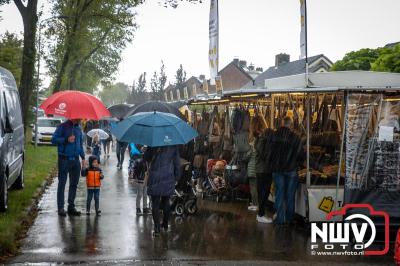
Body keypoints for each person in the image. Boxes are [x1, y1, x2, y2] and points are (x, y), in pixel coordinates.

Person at [270, 117, 305, 225]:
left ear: (282, 123)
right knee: (290, 196)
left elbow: (269, 152)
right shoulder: (295, 137)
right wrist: (297, 162)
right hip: (291, 170)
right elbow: (301, 154)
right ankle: (289, 220)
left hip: (277, 169)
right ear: (290, 125)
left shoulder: (274, 136)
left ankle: (280, 220)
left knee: (279, 193)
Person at [52, 119, 86, 216]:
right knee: (62, 183)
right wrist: (66, 139)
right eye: (80, 116)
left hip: (76, 160)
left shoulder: (79, 129)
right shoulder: (62, 126)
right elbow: (54, 140)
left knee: (74, 184)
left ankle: (71, 207)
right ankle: (61, 208)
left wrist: (83, 157)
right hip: (64, 160)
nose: (81, 118)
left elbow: (80, 145)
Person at [144, 145, 180, 237]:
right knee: (166, 201)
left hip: (155, 176)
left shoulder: (152, 144)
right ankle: (165, 224)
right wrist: (177, 177)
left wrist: (148, 150)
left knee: (155, 203)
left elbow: (145, 158)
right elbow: (177, 162)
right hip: (168, 175)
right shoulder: (173, 145)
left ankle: (157, 229)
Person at [253, 116, 274, 223]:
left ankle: (261, 213)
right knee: (263, 192)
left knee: (263, 192)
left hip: (261, 169)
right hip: (264, 170)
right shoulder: (262, 140)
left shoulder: (259, 139)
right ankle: (261, 214)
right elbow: (264, 154)